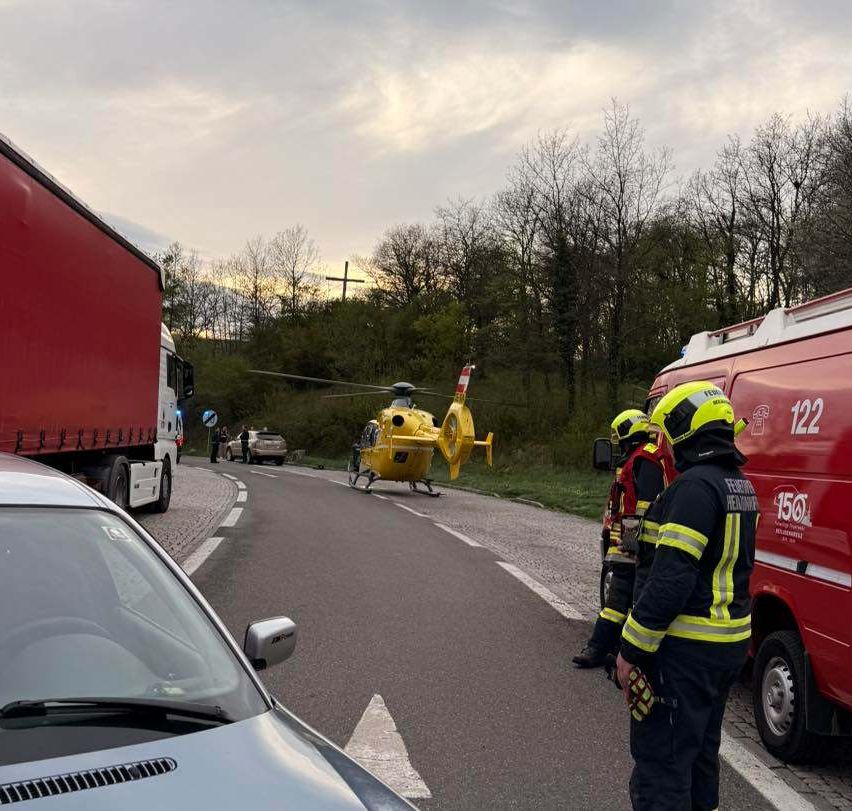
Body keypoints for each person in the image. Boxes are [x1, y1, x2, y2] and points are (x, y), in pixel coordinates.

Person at [616, 382, 756, 811]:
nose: (664, 447)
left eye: (665, 436)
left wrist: (630, 649)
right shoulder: (739, 484)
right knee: (699, 757)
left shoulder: (694, 488)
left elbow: (672, 580)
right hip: (726, 647)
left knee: (663, 763)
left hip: (686, 651)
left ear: (683, 431)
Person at [573, 410, 672, 668]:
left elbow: (646, 508)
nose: (618, 445)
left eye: (619, 439)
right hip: (630, 546)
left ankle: (598, 649)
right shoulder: (643, 458)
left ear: (628, 434)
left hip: (635, 548)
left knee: (617, 602)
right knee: (623, 603)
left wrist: (635, 546)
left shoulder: (644, 459)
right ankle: (612, 650)